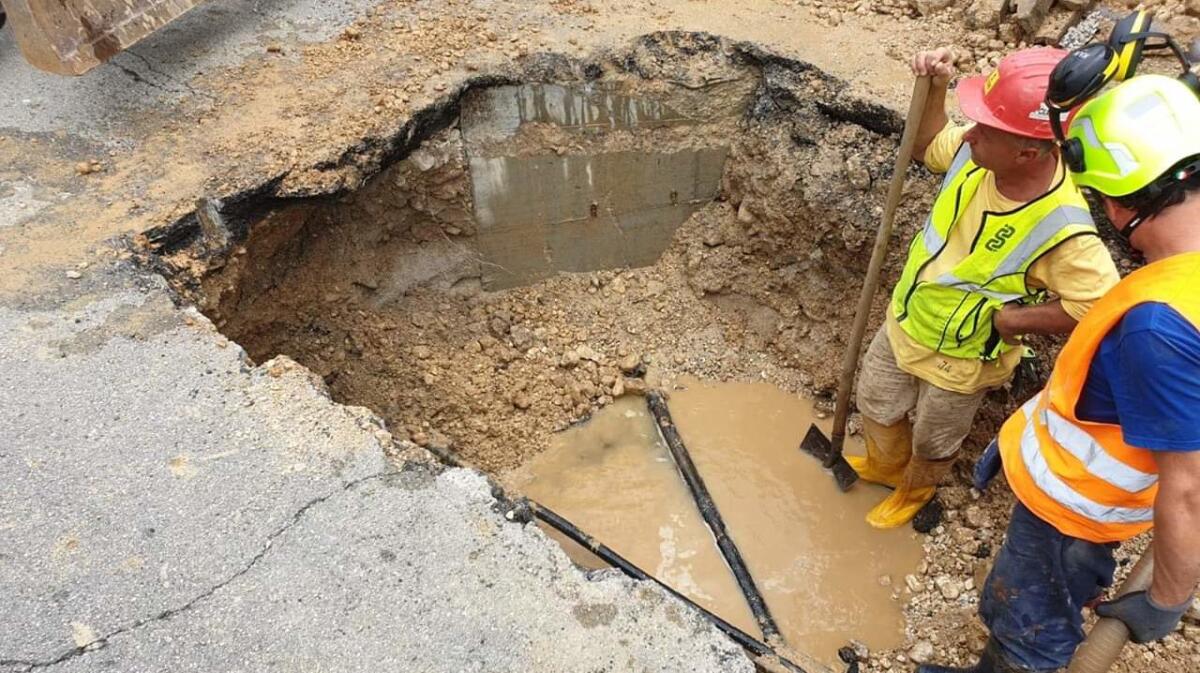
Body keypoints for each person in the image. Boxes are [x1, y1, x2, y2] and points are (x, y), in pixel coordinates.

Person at [917, 73, 1200, 673]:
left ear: (1121, 203)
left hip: (1073, 515)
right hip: (1080, 498)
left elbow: (1191, 489)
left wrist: (1167, 599)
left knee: (1029, 625)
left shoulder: (1158, 328)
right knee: (1026, 609)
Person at [851, 47, 1120, 528]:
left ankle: (915, 490)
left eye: (984, 129)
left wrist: (1012, 322)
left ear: (1027, 151)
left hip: (963, 361)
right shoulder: (975, 155)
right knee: (875, 401)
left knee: (934, 440)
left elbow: (1099, 303)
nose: (969, 132)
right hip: (908, 319)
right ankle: (884, 468)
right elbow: (928, 142)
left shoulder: (1064, 228)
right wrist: (934, 88)